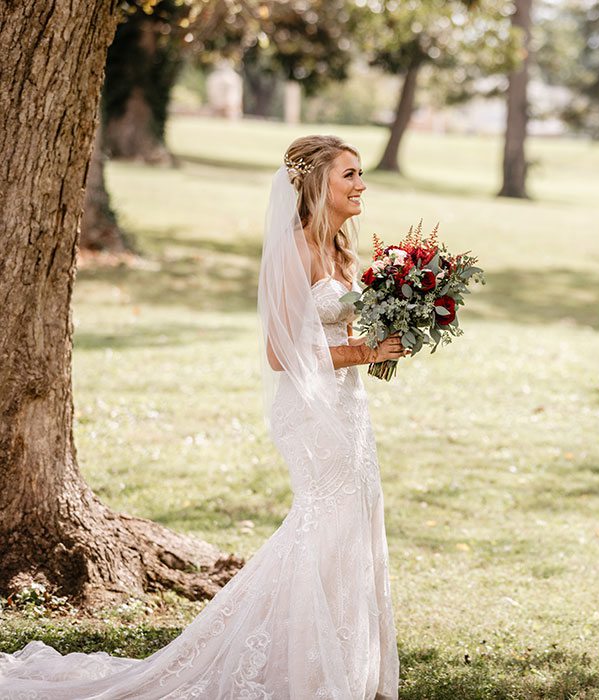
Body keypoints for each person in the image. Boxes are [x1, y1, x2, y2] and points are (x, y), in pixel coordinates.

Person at [0, 135, 406, 699]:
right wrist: (364, 353)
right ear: (318, 184)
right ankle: (303, 665)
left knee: (355, 520)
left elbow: (335, 331)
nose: (362, 184)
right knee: (323, 522)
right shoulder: (293, 248)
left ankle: (340, 659)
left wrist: (386, 336)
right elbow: (279, 353)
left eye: (361, 174)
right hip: (309, 412)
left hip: (346, 404)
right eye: (350, 175)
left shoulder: (340, 248)